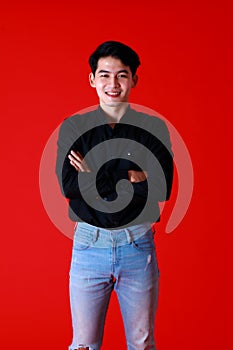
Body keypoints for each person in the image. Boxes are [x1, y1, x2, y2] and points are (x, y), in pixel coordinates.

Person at [56, 41, 174, 350]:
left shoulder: (152, 128)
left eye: (122, 75)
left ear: (134, 79)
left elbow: (162, 188)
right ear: (92, 79)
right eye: (105, 75)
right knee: (83, 345)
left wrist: (94, 172)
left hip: (137, 244)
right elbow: (70, 186)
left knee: (142, 342)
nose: (113, 84)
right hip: (89, 245)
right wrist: (133, 177)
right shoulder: (75, 128)